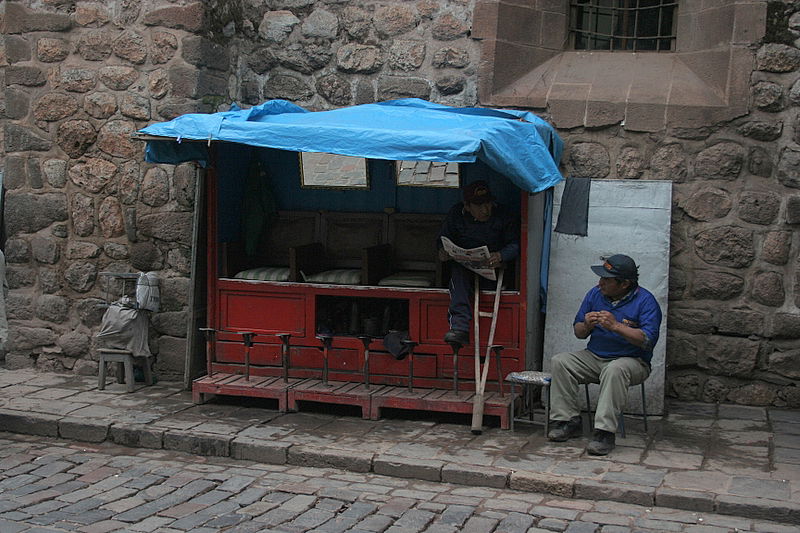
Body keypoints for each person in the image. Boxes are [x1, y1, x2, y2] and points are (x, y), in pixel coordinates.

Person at [547, 254, 662, 456]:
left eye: (606, 280)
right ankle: (567, 421)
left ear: (625, 283)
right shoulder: (595, 294)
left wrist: (616, 326)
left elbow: (647, 340)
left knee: (614, 369)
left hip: (633, 361)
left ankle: (604, 433)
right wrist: (586, 325)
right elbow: (579, 332)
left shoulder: (646, 301)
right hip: (594, 356)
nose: (600, 283)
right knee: (561, 361)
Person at [437, 180, 519, 345]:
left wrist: (501, 255)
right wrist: (443, 252)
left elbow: (516, 244)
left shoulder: (503, 215)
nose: (485, 209)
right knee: (457, 272)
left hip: (493, 271)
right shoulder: (456, 214)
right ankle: (459, 329)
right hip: (465, 269)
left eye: (488, 203)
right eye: (479, 205)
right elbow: (442, 240)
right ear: (467, 206)